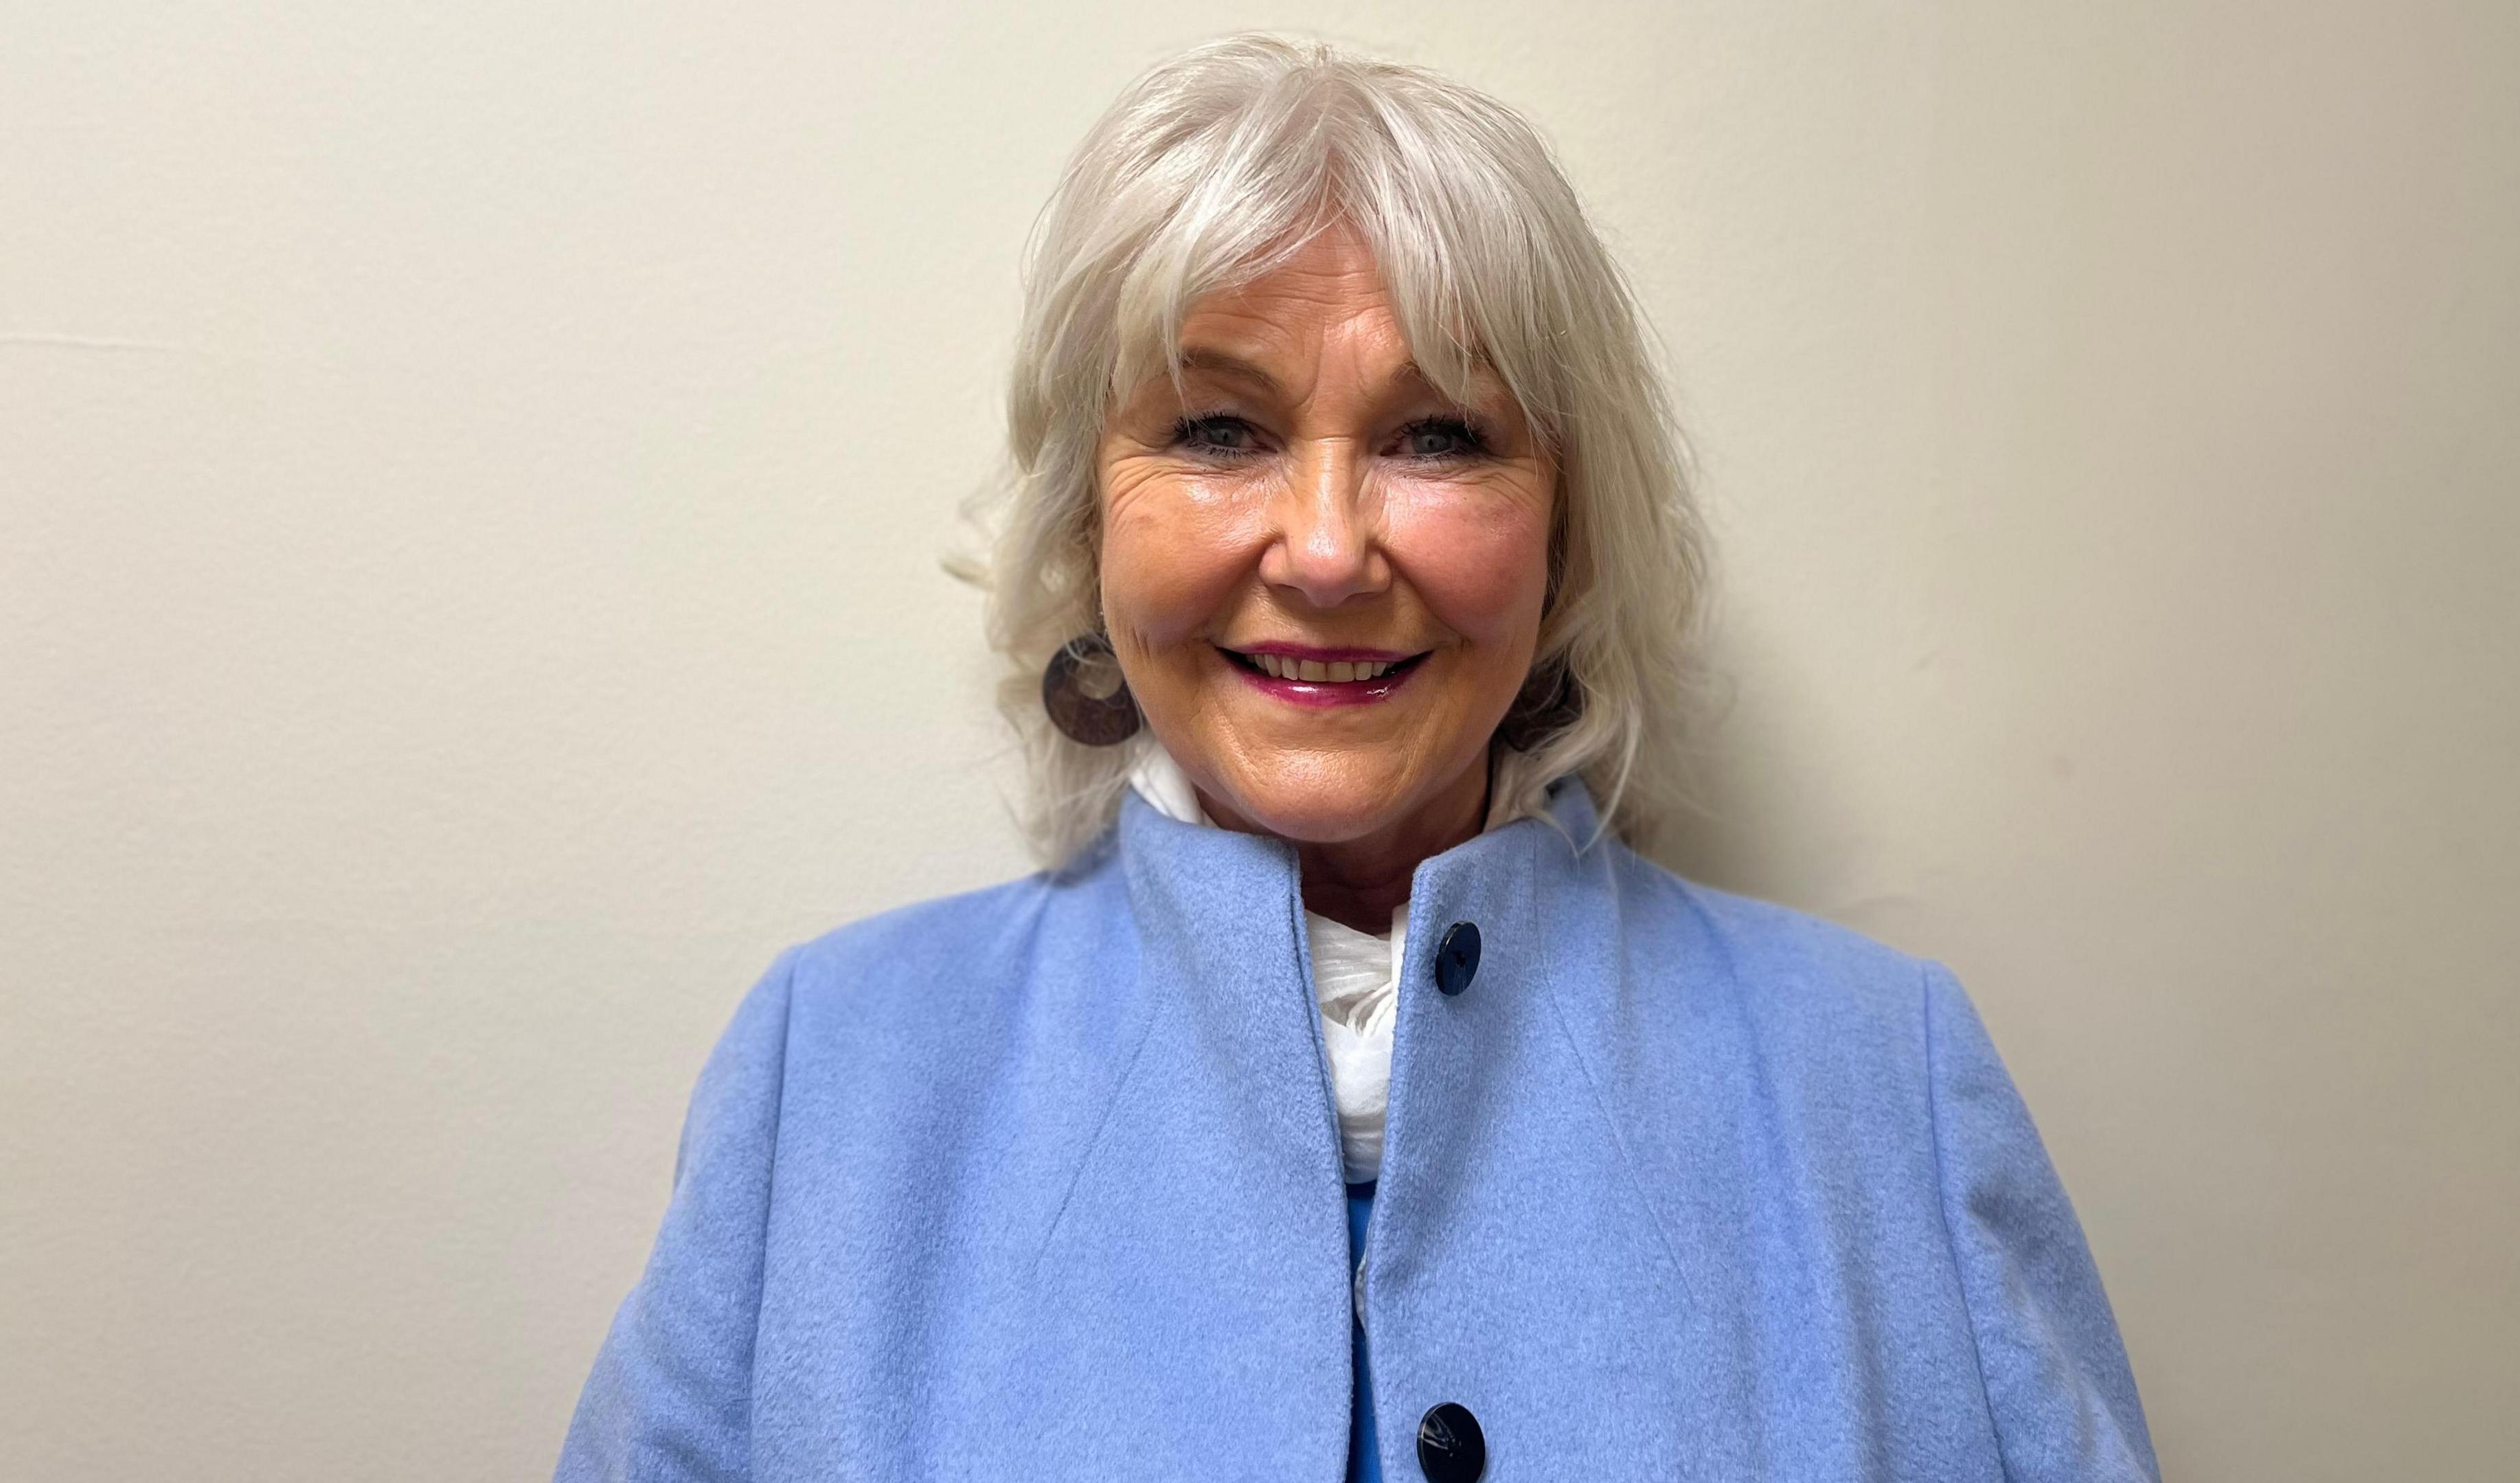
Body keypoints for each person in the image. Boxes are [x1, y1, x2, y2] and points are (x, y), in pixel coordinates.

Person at [554, 32, 2159, 1483]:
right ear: (1090, 523)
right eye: (1217, 428)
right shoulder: (829, 1081)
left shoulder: (1882, 1086)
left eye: (1439, 436)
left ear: (1563, 537)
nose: (1324, 551)